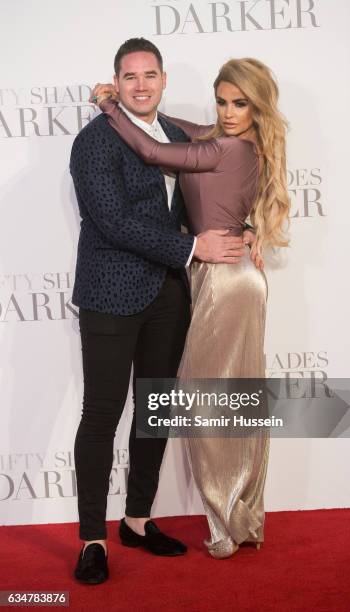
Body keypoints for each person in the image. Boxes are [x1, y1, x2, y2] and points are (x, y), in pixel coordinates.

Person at [92, 56, 290, 559]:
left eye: (239, 103)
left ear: (258, 106)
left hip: (229, 280)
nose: (227, 112)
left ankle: (228, 520)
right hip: (215, 272)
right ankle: (239, 514)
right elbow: (177, 128)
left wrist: (111, 105)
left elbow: (154, 148)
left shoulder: (229, 147)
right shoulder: (222, 136)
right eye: (222, 101)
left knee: (214, 404)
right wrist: (139, 105)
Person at [70, 38, 247, 585]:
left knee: (156, 408)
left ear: (164, 80)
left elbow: (217, 191)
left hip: (169, 294)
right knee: (102, 414)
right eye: (130, 77)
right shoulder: (93, 142)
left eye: (150, 75)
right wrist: (193, 249)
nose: (141, 85)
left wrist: (247, 232)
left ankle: (138, 520)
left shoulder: (177, 134)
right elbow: (112, 222)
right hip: (109, 292)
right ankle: (92, 539)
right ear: (116, 83)